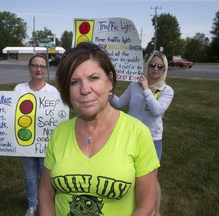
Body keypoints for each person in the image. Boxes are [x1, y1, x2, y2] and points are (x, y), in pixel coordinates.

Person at [38, 42, 160, 216]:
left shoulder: (137, 133)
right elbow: (45, 194)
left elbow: (146, 205)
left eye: (93, 78)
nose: (85, 90)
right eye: (74, 82)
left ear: (110, 81)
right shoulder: (59, 133)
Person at [111, 51, 174, 216]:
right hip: (130, 136)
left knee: (151, 179)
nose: (155, 69)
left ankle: (156, 211)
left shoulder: (167, 90)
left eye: (160, 66)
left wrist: (147, 89)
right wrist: (108, 92)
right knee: (130, 175)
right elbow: (118, 104)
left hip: (152, 139)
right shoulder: (134, 85)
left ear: (164, 69)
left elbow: (156, 110)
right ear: (148, 65)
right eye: (152, 65)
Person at [13, 54, 59, 216]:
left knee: (47, 177)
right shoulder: (19, 89)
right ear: (29, 68)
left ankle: (48, 204)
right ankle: (32, 205)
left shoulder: (52, 91)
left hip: (45, 145)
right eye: (35, 65)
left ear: (46, 70)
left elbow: (57, 119)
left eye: (42, 66)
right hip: (25, 142)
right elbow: (10, 115)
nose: (38, 69)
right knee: (30, 177)